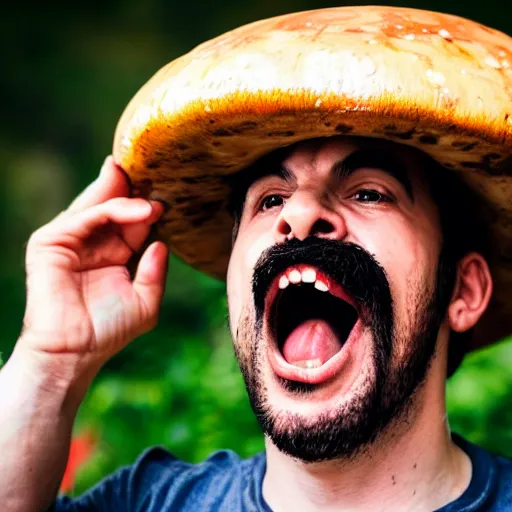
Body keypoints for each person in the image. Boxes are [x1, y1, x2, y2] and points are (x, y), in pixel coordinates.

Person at [1, 5, 511, 512]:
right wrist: (51, 361)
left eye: (369, 193)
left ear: (463, 290)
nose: (302, 213)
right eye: (270, 199)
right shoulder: (147, 503)